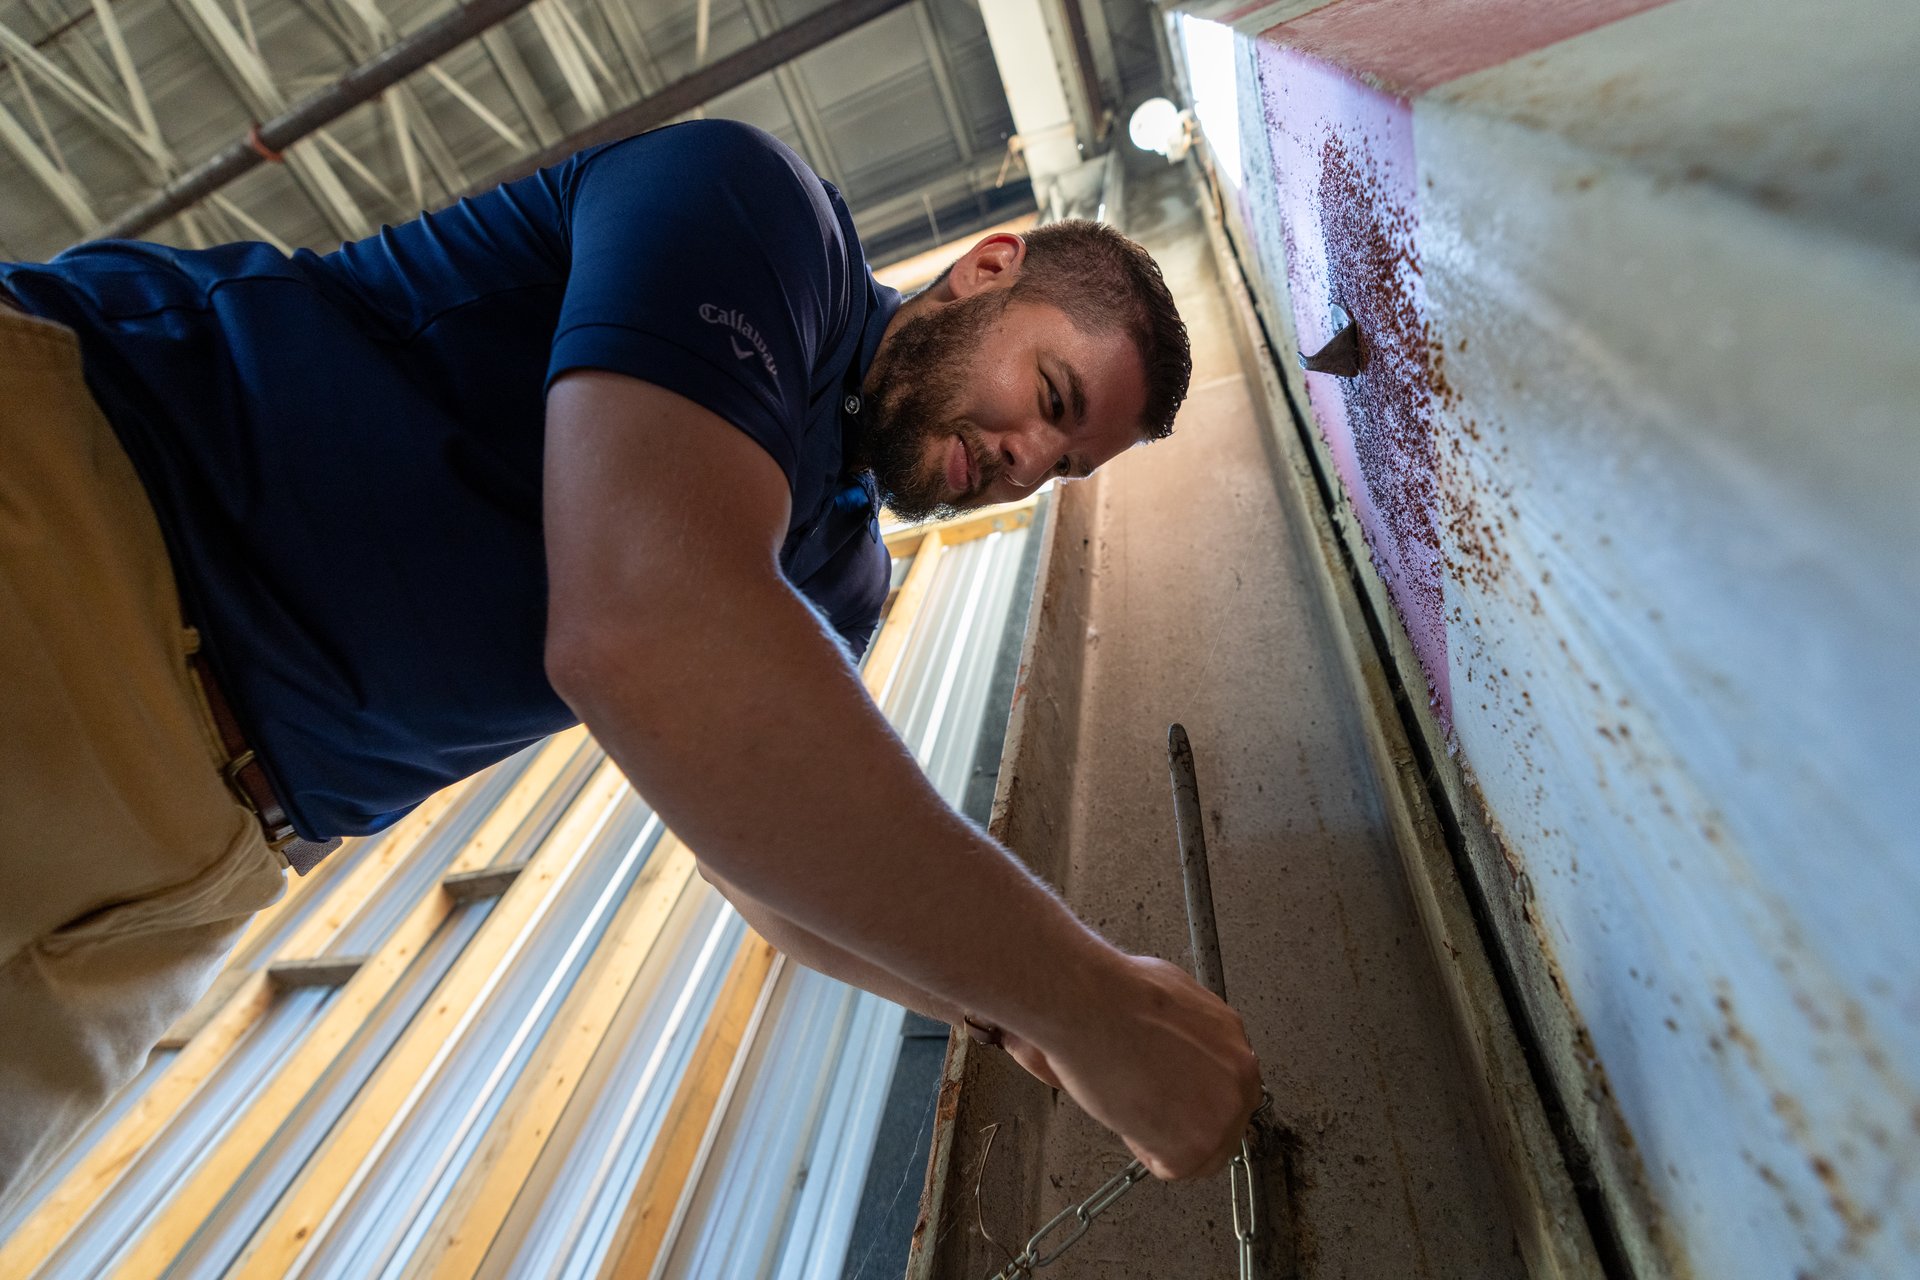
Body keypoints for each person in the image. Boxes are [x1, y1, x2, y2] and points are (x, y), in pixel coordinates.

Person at [0, 118, 1261, 1207]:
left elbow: (766, 877)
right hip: (83, 532)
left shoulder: (837, 573)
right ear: (987, 269)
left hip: (201, 867)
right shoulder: (759, 219)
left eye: (1067, 466)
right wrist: (1091, 1003)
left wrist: (1007, 1005)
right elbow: (644, 627)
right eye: (1049, 395)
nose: (1031, 462)